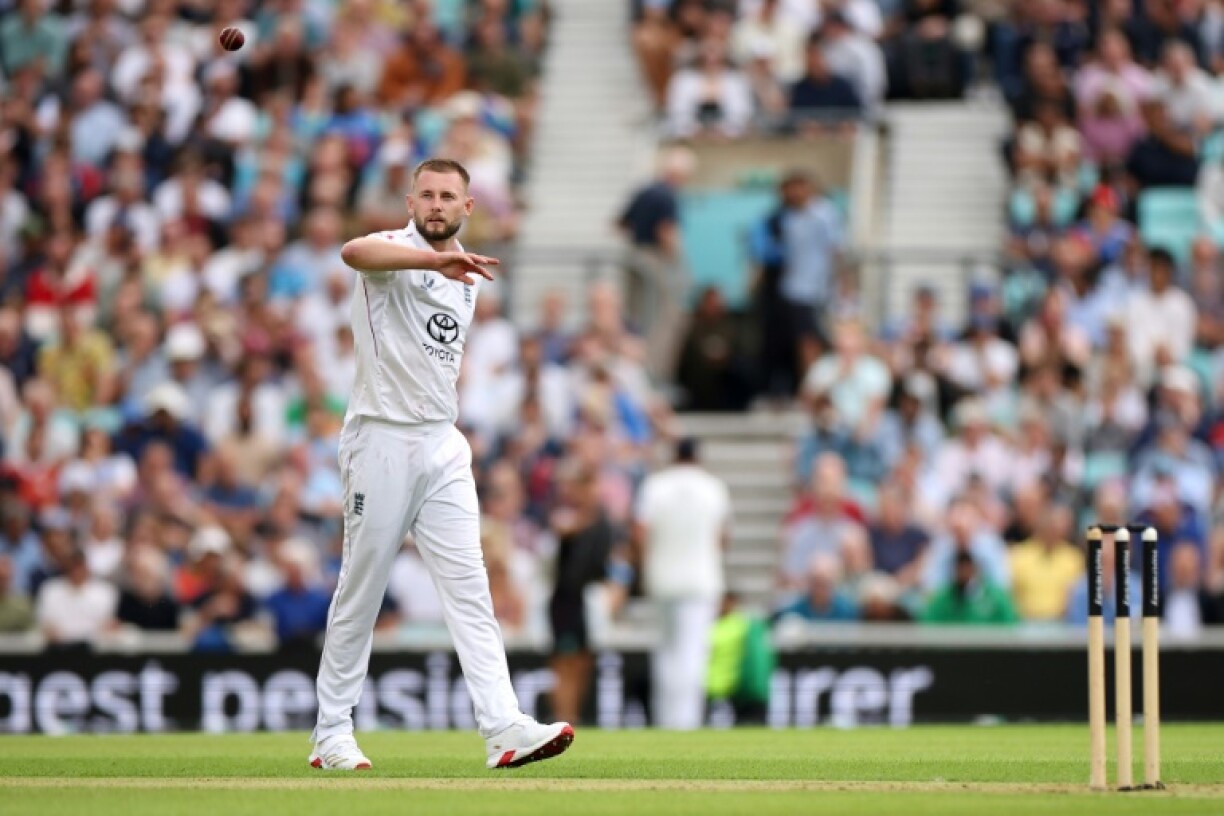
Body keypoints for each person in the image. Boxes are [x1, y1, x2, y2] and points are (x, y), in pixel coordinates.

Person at [311, 158, 573, 772]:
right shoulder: (393, 250)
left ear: (467, 207)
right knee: (361, 590)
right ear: (409, 202)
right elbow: (352, 252)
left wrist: (447, 266)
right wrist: (432, 261)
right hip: (380, 439)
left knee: (472, 589)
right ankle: (331, 733)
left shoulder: (470, 275)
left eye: (447, 196)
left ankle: (503, 726)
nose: (434, 205)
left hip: (441, 442)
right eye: (425, 195)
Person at [635, 437, 731, 731]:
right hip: (700, 581)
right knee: (692, 653)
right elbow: (722, 538)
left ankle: (666, 721)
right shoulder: (713, 487)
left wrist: (645, 570)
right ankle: (687, 723)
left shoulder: (654, 486)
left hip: (663, 579)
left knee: (666, 652)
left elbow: (640, 532)